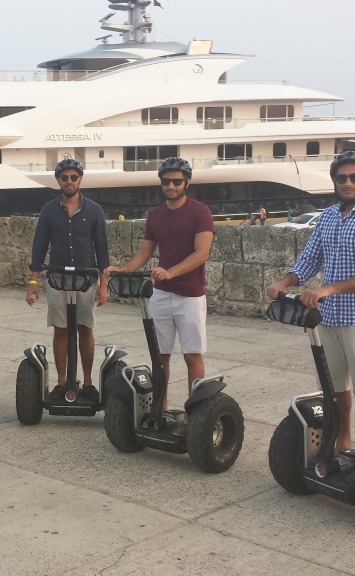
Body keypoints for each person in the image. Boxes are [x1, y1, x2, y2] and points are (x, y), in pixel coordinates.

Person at [266, 151, 355, 454]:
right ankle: (341, 446)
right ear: (334, 180)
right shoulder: (328, 217)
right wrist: (283, 283)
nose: (348, 182)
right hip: (330, 316)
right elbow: (310, 258)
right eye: (342, 177)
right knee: (334, 389)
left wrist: (327, 290)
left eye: (354, 177)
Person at [108, 157, 214, 435]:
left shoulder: (200, 212)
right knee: (160, 356)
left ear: (186, 182)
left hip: (190, 295)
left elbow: (201, 253)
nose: (171, 185)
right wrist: (121, 270)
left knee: (192, 355)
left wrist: (171, 272)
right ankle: (161, 409)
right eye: (166, 181)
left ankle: (195, 416)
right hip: (161, 295)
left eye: (177, 181)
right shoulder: (155, 214)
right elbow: (144, 253)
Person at [26, 158, 110, 401]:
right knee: (60, 330)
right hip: (57, 278)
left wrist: (104, 285)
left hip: (87, 278)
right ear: (58, 180)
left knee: (86, 329)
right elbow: (39, 247)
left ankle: (88, 382)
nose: (70, 181)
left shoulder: (94, 210)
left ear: (80, 179)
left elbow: (102, 251)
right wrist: (33, 283)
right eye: (65, 178)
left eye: (74, 177)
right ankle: (62, 382)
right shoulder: (49, 210)